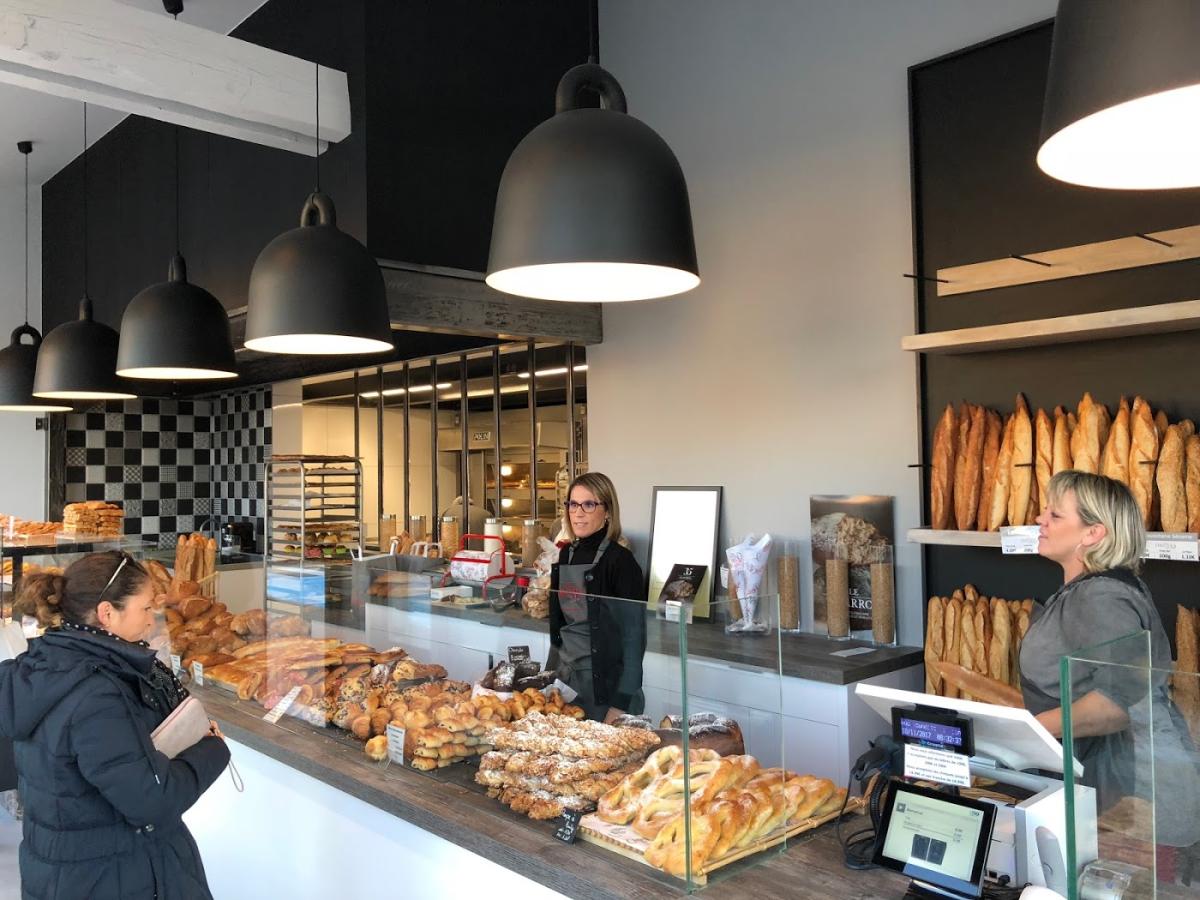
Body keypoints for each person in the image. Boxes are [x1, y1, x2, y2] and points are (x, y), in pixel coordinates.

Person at [0, 551, 230, 899]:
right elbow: (151, 800)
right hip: (111, 877)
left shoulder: (44, 665)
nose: (152, 621)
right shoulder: (96, 693)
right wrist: (213, 749)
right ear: (107, 613)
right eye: (145, 609)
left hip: (64, 872)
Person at [1023, 470, 1200, 846]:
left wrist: (1024, 734)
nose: (1040, 519)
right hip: (1110, 790)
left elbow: (1117, 706)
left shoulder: (1102, 597)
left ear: (1093, 533)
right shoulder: (1093, 590)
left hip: (1129, 798)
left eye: (1055, 514)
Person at [548, 472, 647, 723]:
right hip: (567, 683)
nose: (578, 513)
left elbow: (634, 640)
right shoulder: (565, 555)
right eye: (573, 504)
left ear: (608, 511)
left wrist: (620, 704)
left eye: (589, 504)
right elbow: (559, 631)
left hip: (606, 689)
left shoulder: (621, 562)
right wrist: (548, 681)